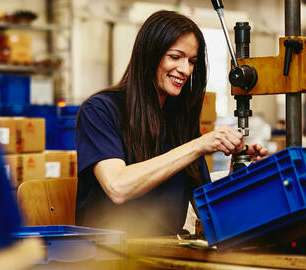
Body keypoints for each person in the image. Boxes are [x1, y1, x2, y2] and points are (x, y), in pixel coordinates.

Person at [75, 10, 267, 237]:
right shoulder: (100, 110)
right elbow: (118, 187)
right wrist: (198, 146)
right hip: (109, 256)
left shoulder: (179, 119)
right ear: (150, 55)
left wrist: (248, 173)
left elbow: (211, 211)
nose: (186, 70)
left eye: (192, 61)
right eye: (175, 57)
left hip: (168, 251)